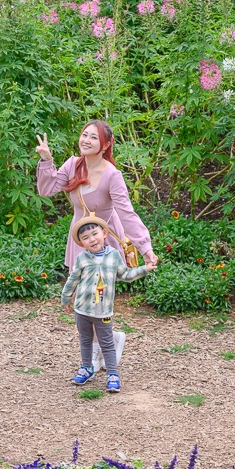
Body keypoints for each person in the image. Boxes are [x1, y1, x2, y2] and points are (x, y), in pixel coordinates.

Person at [36, 121, 159, 370]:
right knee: (83, 299)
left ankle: (100, 348)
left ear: (105, 145)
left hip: (104, 242)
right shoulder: (73, 165)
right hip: (81, 240)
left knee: (97, 298)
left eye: (94, 137)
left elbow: (127, 213)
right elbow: (46, 189)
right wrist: (47, 160)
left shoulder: (112, 175)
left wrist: (145, 248)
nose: (86, 140)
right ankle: (109, 341)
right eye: (84, 135)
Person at [62, 217, 152, 392]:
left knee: (107, 342)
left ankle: (112, 373)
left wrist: (144, 269)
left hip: (103, 311)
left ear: (104, 233)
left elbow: (125, 274)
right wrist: (66, 298)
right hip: (82, 309)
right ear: (81, 243)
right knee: (85, 340)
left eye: (95, 234)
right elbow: (73, 279)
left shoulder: (113, 255)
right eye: (86, 237)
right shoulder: (82, 258)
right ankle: (87, 367)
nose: (92, 239)